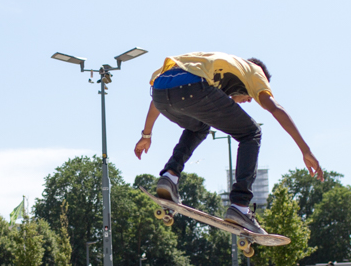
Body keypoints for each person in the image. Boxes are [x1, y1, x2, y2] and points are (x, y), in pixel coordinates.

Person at [134, 52, 323, 234]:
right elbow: (275, 108)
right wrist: (305, 150)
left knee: (198, 127)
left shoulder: (212, 64)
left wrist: (147, 134)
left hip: (160, 92)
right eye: (250, 96)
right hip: (193, 88)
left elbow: (156, 101)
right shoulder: (254, 71)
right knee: (252, 133)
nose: (249, 100)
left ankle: (170, 176)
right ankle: (240, 206)